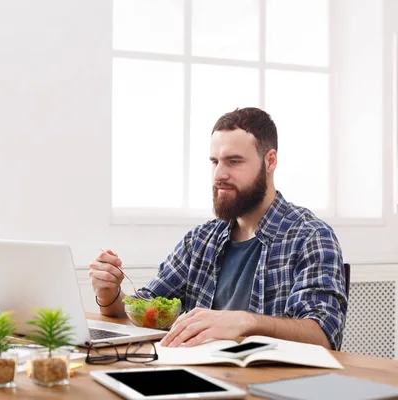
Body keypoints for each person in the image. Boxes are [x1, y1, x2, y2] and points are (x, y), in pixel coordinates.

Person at [89, 107, 348, 351]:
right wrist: (109, 291)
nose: (218, 175)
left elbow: (323, 335)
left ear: (270, 161)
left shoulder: (310, 236)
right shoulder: (200, 240)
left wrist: (246, 322)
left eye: (233, 161)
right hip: (197, 379)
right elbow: (142, 311)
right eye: (215, 161)